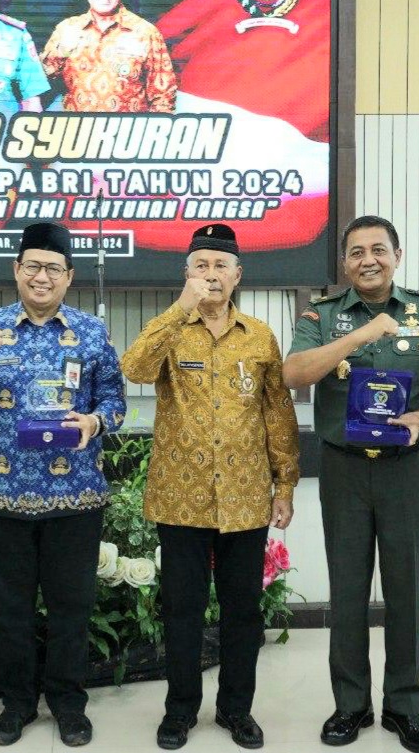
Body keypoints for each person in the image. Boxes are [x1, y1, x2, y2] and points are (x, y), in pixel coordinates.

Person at [0, 222, 125, 748]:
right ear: (17, 270)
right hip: (4, 495)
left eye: (53, 268)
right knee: (10, 611)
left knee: (72, 609)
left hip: (75, 495)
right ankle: (16, 705)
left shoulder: (90, 331)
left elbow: (114, 400)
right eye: (33, 266)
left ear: (69, 276)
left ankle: (68, 704)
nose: (43, 277)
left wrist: (95, 421)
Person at [283, 215, 419, 752]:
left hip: (408, 469)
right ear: (344, 262)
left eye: (379, 250)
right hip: (344, 468)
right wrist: (362, 334)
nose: (369, 260)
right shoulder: (321, 314)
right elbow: (295, 373)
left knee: (406, 590)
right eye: (357, 252)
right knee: (347, 590)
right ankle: (351, 705)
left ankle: (405, 708)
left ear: (397, 256)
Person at [122, 224, 299, 751]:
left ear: (238, 274)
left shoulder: (260, 336)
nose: (211, 274)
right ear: (187, 274)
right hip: (181, 499)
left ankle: (236, 710)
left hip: (245, 498)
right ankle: (179, 712)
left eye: (221, 265)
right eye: (201, 265)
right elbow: (134, 368)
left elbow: (277, 414)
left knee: (243, 611)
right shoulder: (170, 329)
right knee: (182, 609)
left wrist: (285, 485)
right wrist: (181, 308)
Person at [40, 0, 177, 112]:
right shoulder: (66, 29)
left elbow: (163, 99)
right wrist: (60, 52)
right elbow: (35, 88)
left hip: (128, 128)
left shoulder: (145, 32)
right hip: (77, 128)